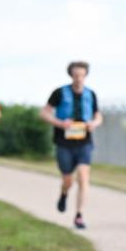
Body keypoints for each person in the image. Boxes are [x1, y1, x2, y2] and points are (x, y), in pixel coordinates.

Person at [40, 62, 103, 229]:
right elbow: (44, 113)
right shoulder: (59, 93)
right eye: (76, 75)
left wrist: (94, 124)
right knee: (68, 180)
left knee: (83, 177)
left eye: (82, 75)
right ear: (71, 75)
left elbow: (98, 116)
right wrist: (59, 123)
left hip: (84, 142)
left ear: (86, 75)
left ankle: (79, 215)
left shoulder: (91, 94)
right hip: (64, 142)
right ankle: (64, 193)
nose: (79, 79)